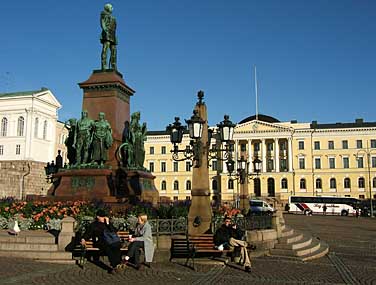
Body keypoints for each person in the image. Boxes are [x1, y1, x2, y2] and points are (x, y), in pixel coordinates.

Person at [80, 209, 123, 274]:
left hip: (111, 241)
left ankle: (117, 264)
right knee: (108, 247)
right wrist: (83, 238)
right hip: (100, 242)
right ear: (98, 217)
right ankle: (115, 266)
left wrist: (108, 224)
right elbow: (88, 233)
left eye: (104, 216)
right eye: (102, 217)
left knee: (116, 245)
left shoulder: (107, 223)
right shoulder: (94, 225)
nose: (103, 218)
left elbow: (114, 231)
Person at [100, 3, 117, 70]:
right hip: (107, 34)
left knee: (114, 51)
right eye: (111, 7)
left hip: (113, 35)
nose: (112, 9)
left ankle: (114, 66)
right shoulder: (104, 14)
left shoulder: (113, 18)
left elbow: (115, 28)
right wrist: (105, 31)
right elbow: (102, 23)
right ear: (107, 8)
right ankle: (104, 65)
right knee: (105, 49)